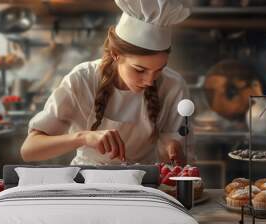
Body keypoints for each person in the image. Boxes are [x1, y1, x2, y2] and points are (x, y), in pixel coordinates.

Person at [21, 0, 193, 166]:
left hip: (143, 185)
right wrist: (84, 137)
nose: (149, 81)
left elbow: (175, 148)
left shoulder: (173, 85)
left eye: (159, 70)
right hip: (86, 181)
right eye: (139, 70)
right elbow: (30, 150)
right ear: (116, 54)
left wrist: (174, 149)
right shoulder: (82, 79)